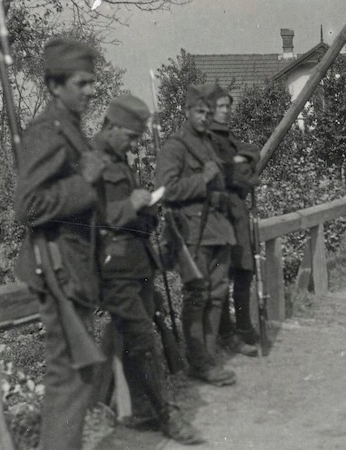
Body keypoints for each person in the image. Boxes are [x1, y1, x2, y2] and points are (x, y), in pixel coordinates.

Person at [13, 36, 106, 450]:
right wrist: (83, 181)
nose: (90, 91)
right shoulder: (47, 131)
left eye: (91, 82)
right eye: (81, 83)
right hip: (57, 269)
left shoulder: (69, 128)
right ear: (54, 85)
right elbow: (28, 207)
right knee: (69, 377)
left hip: (73, 265)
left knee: (74, 375)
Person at [94, 95, 203, 444]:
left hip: (137, 261)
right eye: (130, 135)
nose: (134, 143)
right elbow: (84, 219)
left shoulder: (119, 159)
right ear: (110, 126)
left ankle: (141, 413)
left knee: (130, 340)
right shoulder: (89, 162)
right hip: (113, 268)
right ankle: (166, 416)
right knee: (143, 339)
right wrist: (130, 204)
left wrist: (149, 210)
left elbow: (127, 215)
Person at [155, 83, 238, 386]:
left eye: (208, 112)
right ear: (187, 111)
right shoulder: (175, 147)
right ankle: (199, 361)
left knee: (217, 295)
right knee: (197, 297)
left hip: (218, 230)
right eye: (199, 112)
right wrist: (202, 182)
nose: (204, 117)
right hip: (193, 232)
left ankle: (208, 355)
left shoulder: (211, 144)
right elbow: (165, 190)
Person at [207, 85, 260, 358]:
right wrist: (240, 171)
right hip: (220, 215)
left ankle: (243, 326)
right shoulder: (207, 139)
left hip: (237, 214)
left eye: (229, 105)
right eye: (221, 106)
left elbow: (251, 151)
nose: (226, 110)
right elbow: (228, 174)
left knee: (244, 270)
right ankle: (226, 333)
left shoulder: (228, 138)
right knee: (223, 274)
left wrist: (241, 162)